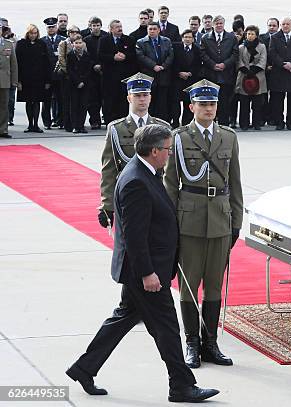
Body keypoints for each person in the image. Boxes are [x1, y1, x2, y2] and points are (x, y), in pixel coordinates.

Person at [66, 124, 219, 403]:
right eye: (167, 150)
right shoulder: (137, 180)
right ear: (154, 151)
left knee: (123, 319)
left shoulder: (146, 172)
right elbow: (134, 237)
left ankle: (84, 368)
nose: (170, 154)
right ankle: (181, 386)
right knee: (167, 327)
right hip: (146, 272)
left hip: (144, 268)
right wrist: (148, 273)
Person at [163, 79, 243, 369]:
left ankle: (211, 344)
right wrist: (170, 223)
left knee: (213, 286)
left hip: (221, 219)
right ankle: (192, 343)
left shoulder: (229, 137)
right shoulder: (180, 137)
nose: (208, 109)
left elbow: (235, 182)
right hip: (190, 220)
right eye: (203, 104)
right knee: (188, 285)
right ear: (191, 106)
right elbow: (171, 183)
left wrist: (236, 220)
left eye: (212, 104)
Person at [98, 73, 171, 229]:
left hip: (156, 194)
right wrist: (107, 204)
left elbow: (169, 170)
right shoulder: (116, 129)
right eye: (137, 95)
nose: (142, 99)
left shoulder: (163, 127)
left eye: (145, 95)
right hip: (128, 194)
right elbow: (108, 169)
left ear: (151, 98)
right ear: (129, 98)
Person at [268, 17, 291, 130]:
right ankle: (279, 122)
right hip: (279, 72)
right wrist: (283, 64)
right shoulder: (275, 37)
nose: (285, 26)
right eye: (283, 24)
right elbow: (272, 53)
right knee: (278, 99)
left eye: (287, 24)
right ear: (280, 25)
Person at [200, 15, 238, 127]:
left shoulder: (231, 37)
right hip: (211, 74)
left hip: (226, 74)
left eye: (221, 23)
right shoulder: (205, 38)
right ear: (213, 24)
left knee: (225, 101)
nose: (219, 25)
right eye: (217, 23)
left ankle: (224, 124)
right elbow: (202, 54)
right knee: (211, 101)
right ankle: (211, 124)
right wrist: (213, 65)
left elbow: (235, 54)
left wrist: (225, 64)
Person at [99, 20, 138, 123]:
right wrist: (113, 57)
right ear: (111, 29)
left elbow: (134, 55)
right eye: (117, 27)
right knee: (109, 100)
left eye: (120, 26)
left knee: (123, 101)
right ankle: (109, 122)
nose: (120, 28)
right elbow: (100, 55)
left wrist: (125, 56)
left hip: (124, 77)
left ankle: (123, 122)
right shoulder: (104, 40)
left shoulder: (129, 39)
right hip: (109, 77)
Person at [136, 21, 174, 122]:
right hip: (149, 75)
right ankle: (150, 121)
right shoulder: (141, 42)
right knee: (150, 100)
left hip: (163, 75)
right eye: (150, 29)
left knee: (163, 101)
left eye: (154, 29)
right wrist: (154, 66)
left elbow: (171, 55)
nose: (152, 31)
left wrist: (163, 66)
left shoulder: (166, 41)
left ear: (159, 30)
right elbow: (141, 56)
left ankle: (163, 121)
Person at [16, 24, 51, 133]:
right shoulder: (21, 44)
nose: (33, 35)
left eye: (35, 33)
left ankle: (36, 124)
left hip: (39, 79)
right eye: (31, 33)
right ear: (27, 33)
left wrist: (47, 80)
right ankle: (30, 124)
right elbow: (17, 63)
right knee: (28, 101)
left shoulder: (42, 44)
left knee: (37, 101)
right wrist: (18, 81)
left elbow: (47, 63)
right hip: (26, 78)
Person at [235, 25, 267, 130]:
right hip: (244, 77)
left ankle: (256, 123)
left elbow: (263, 60)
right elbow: (238, 60)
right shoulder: (241, 47)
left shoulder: (262, 47)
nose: (250, 36)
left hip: (258, 77)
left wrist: (254, 71)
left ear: (256, 35)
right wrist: (245, 70)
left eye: (252, 34)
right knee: (244, 103)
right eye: (248, 34)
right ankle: (244, 123)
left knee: (257, 103)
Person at [171, 30, 202, 127]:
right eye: (185, 37)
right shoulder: (176, 48)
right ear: (182, 38)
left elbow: (198, 65)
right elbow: (172, 62)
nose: (187, 39)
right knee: (175, 103)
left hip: (191, 81)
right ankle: (175, 122)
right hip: (177, 79)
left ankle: (186, 124)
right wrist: (178, 73)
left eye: (189, 37)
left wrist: (190, 73)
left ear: (193, 39)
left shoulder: (197, 49)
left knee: (188, 103)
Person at [57, 25, 84, 133]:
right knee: (66, 101)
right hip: (67, 76)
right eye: (72, 32)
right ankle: (67, 123)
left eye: (77, 32)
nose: (75, 34)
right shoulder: (63, 43)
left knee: (77, 102)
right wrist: (68, 72)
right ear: (69, 33)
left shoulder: (82, 43)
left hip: (78, 77)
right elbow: (61, 59)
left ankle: (77, 123)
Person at [40, 17, 64, 129]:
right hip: (47, 76)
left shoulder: (63, 40)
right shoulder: (42, 41)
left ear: (56, 27)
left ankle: (60, 121)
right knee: (46, 101)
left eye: (53, 27)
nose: (51, 29)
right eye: (49, 27)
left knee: (61, 99)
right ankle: (47, 122)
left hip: (60, 76)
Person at [66, 34, 93, 133]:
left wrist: (83, 81)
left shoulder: (87, 55)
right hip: (74, 84)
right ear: (73, 44)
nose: (78, 45)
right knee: (74, 105)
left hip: (85, 84)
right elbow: (70, 70)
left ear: (83, 44)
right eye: (76, 43)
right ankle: (75, 126)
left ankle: (81, 125)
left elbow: (88, 70)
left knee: (83, 105)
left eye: (80, 43)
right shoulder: (70, 55)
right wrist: (77, 81)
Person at [83, 17, 106, 130]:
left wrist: (102, 65)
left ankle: (106, 118)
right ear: (90, 27)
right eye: (94, 25)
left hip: (105, 72)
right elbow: (86, 56)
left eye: (98, 25)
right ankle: (94, 120)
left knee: (105, 98)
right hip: (91, 74)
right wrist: (94, 65)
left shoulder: (106, 37)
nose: (96, 28)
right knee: (93, 100)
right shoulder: (86, 40)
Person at [259, 18, 279, 126]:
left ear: (277, 27)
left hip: (277, 70)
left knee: (275, 97)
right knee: (263, 96)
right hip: (264, 71)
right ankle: (263, 117)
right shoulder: (261, 38)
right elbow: (259, 54)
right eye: (270, 25)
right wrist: (266, 66)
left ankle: (272, 117)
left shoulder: (280, 38)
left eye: (274, 25)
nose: (272, 27)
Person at [0, 26, 18, 138]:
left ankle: (3, 129)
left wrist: (14, 81)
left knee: (4, 106)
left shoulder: (8, 44)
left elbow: (13, 64)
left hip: (4, 80)